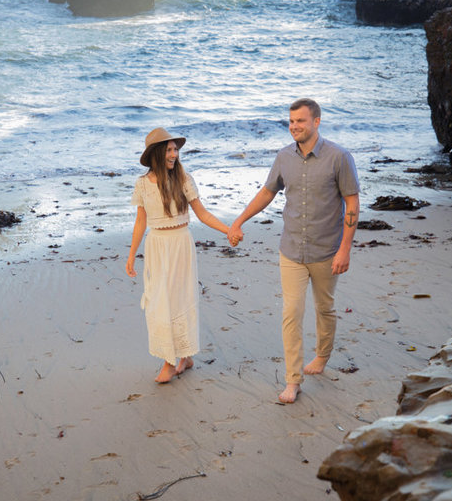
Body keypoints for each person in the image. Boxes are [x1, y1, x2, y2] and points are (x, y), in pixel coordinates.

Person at [228, 99, 359, 403]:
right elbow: (268, 191)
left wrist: (345, 250)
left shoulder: (339, 157)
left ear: (317, 121)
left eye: (300, 121)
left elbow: (351, 203)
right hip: (291, 250)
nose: (294, 127)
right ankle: (293, 380)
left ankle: (322, 356)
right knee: (291, 313)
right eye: (290, 122)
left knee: (324, 308)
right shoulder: (284, 157)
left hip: (327, 251)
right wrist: (239, 219)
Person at [126, 127, 232, 384]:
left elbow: (202, 214)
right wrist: (131, 256)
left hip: (180, 243)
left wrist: (228, 230)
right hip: (157, 245)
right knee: (160, 301)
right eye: (170, 150)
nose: (175, 154)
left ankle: (173, 360)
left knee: (179, 299)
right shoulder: (142, 184)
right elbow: (140, 222)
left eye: (176, 149)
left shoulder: (184, 179)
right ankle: (180, 357)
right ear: (157, 154)